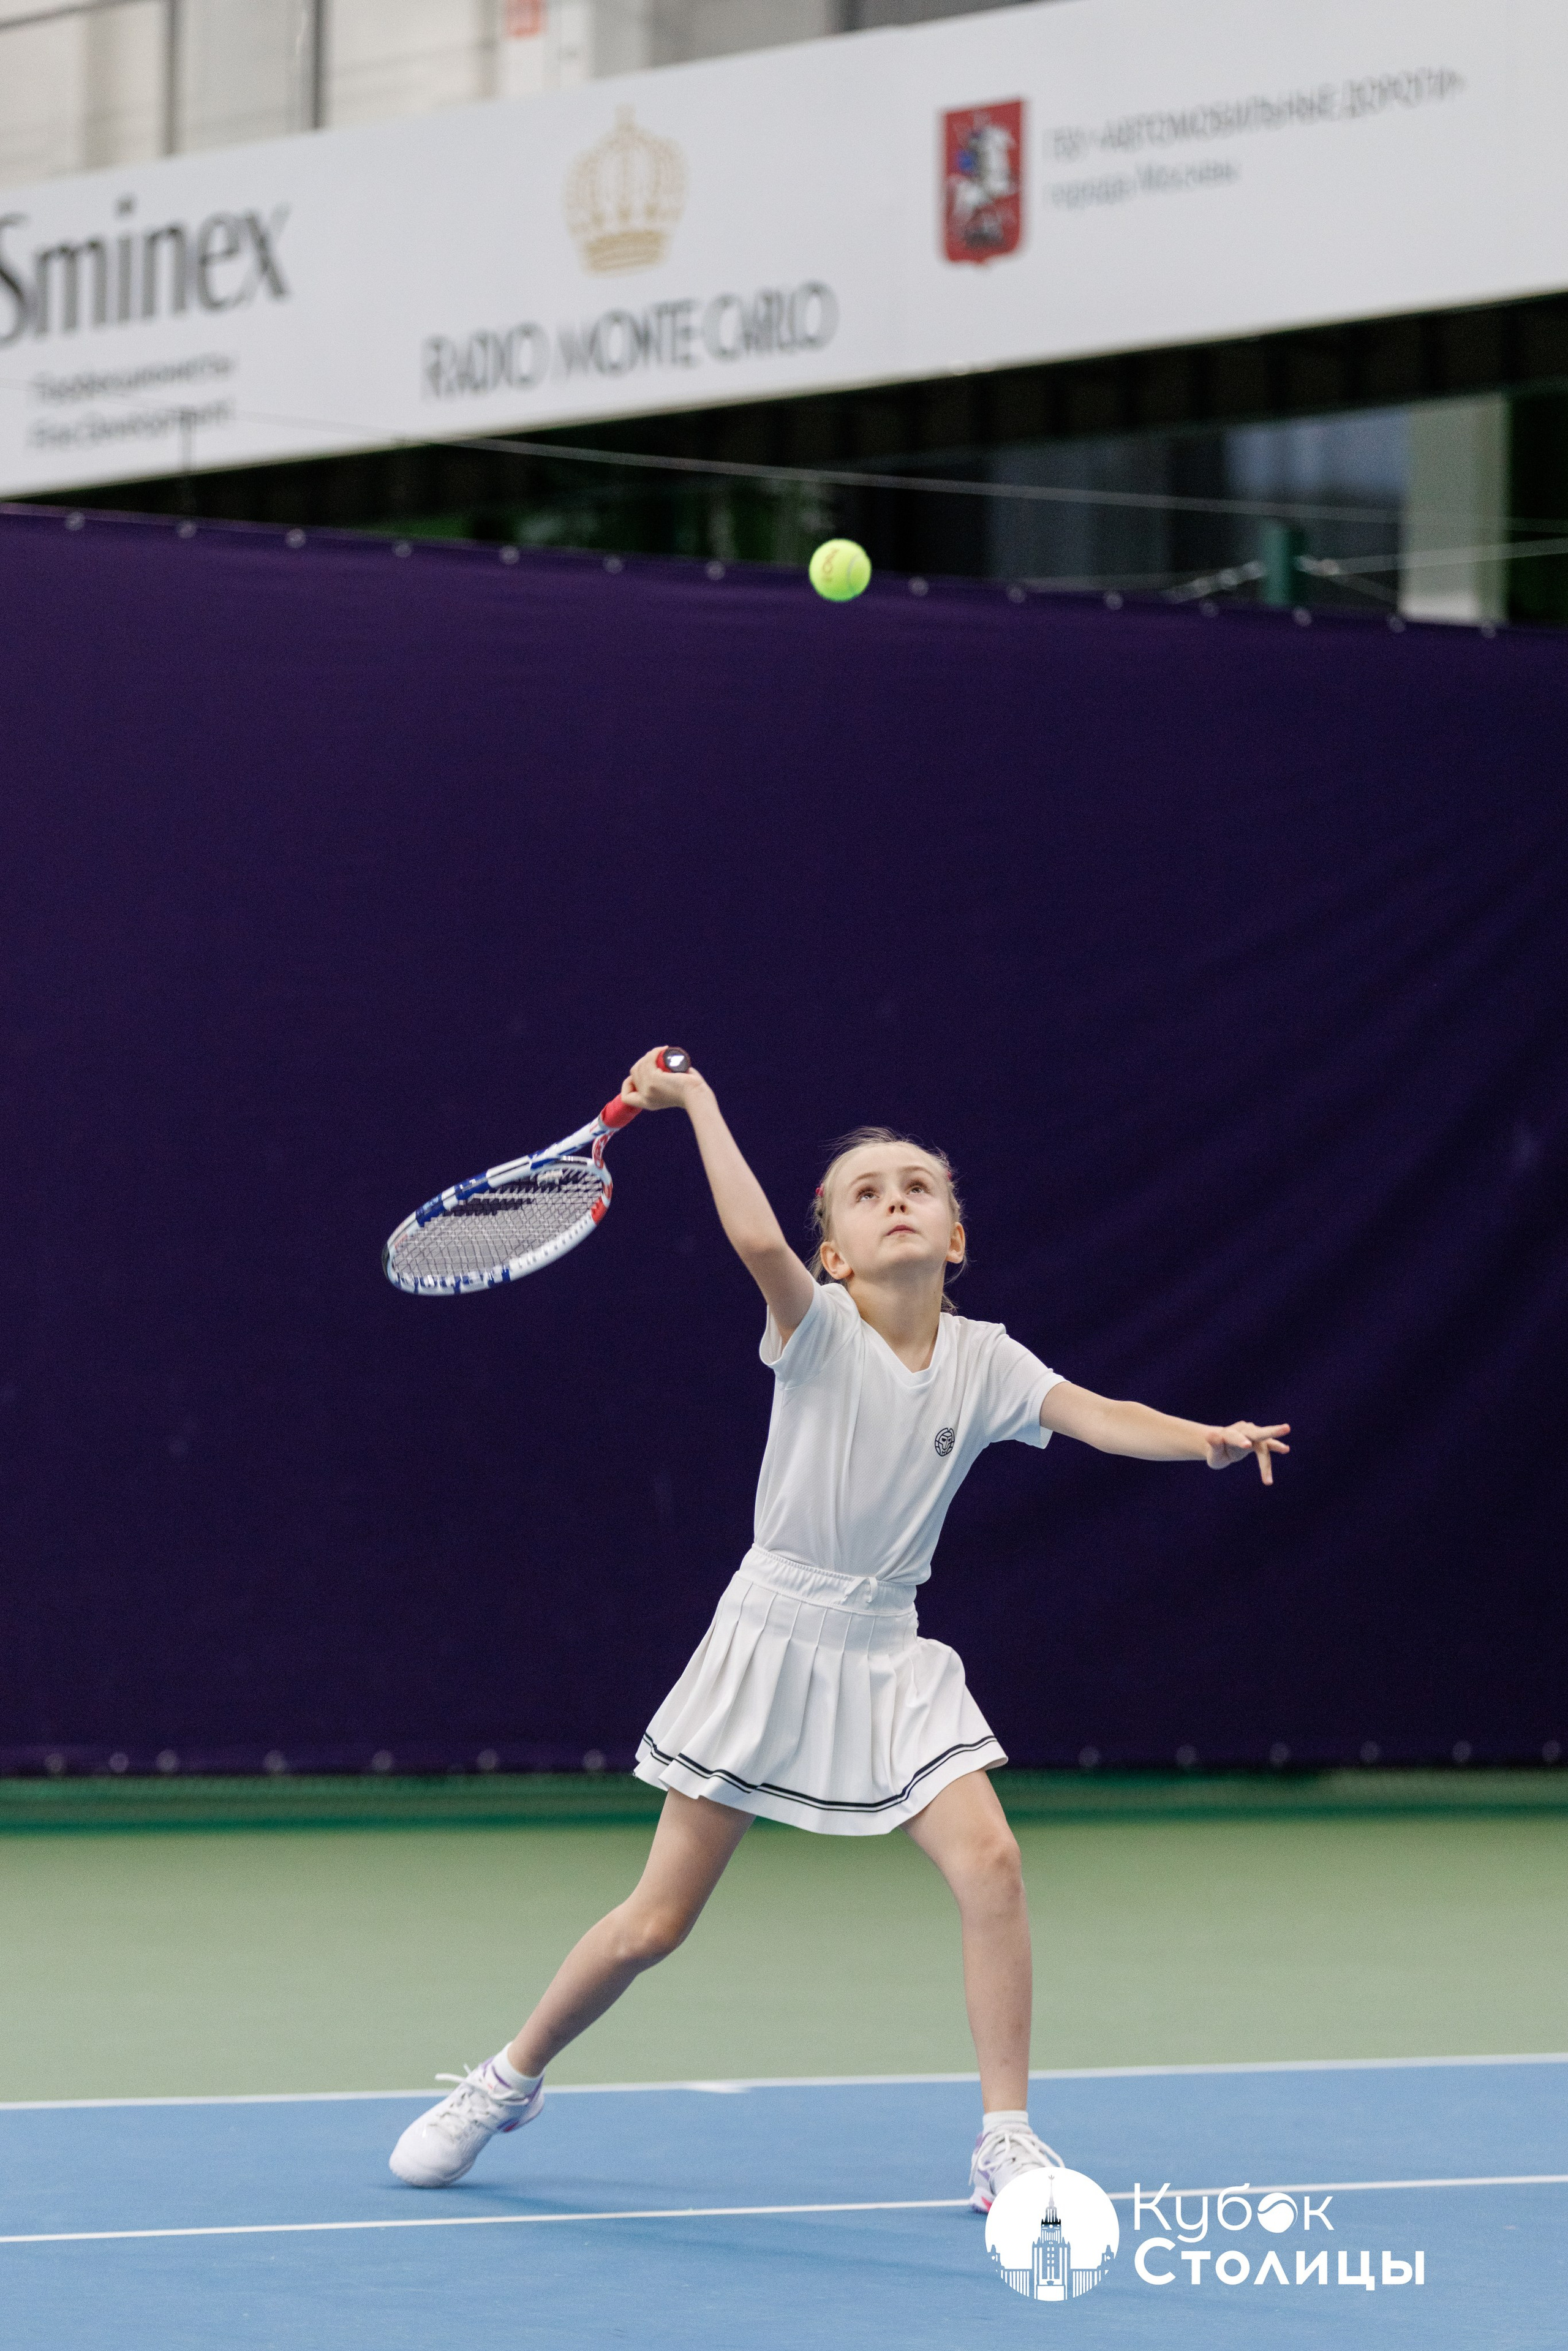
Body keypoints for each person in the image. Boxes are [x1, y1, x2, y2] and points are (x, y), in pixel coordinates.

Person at [390, 1049, 1288, 2207]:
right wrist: (701, 1104)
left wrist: (1204, 1436)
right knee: (655, 1922)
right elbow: (759, 1246)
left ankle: (1005, 2137)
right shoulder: (815, 1330)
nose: (898, 1197)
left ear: (955, 1239)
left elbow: (1100, 1414)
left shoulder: (988, 1360)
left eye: (921, 1185)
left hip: (889, 1650)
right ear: (837, 1255)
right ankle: (508, 2078)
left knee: (995, 1864)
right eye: (868, 1192)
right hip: (770, 1638)